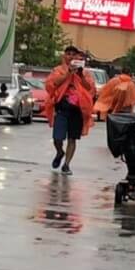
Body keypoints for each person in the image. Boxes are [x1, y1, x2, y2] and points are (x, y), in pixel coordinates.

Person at [44, 45, 98, 175]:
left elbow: (90, 88)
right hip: (62, 109)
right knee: (58, 138)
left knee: (72, 139)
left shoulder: (84, 73)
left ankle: (66, 165)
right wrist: (68, 72)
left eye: (74, 54)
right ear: (64, 56)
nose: (71, 57)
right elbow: (52, 84)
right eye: (68, 54)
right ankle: (59, 152)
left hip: (78, 110)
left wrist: (80, 75)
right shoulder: (58, 70)